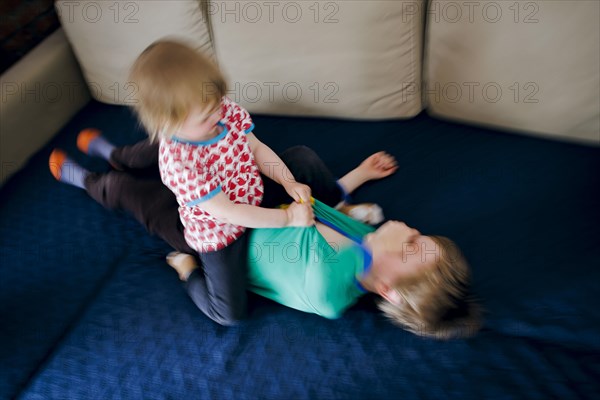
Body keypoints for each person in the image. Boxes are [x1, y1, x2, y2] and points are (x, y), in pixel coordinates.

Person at [168, 188, 482, 340]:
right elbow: (316, 209)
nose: (412, 230)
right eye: (420, 235)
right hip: (262, 206)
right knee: (301, 159)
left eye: (412, 245)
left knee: (229, 312)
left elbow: (320, 248)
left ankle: (188, 271)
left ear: (388, 290)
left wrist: (374, 243)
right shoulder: (369, 238)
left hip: (224, 242)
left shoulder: (331, 294)